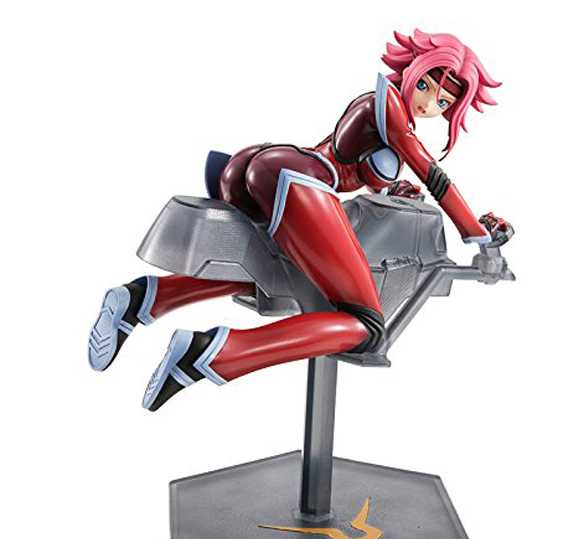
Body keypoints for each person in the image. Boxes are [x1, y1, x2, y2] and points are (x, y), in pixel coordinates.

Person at [88, 28, 511, 411]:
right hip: (296, 179)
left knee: (280, 275)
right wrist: (478, 235)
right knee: (365, 326)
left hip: (262, 168)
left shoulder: (380, 110)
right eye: (425, 85)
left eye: (443, 102)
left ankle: (143, 299)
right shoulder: (389, 107)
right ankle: (212, 354)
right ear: (412, 70)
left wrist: (390, 189)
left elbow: (360, 166)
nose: (429, 102)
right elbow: (432, 175)